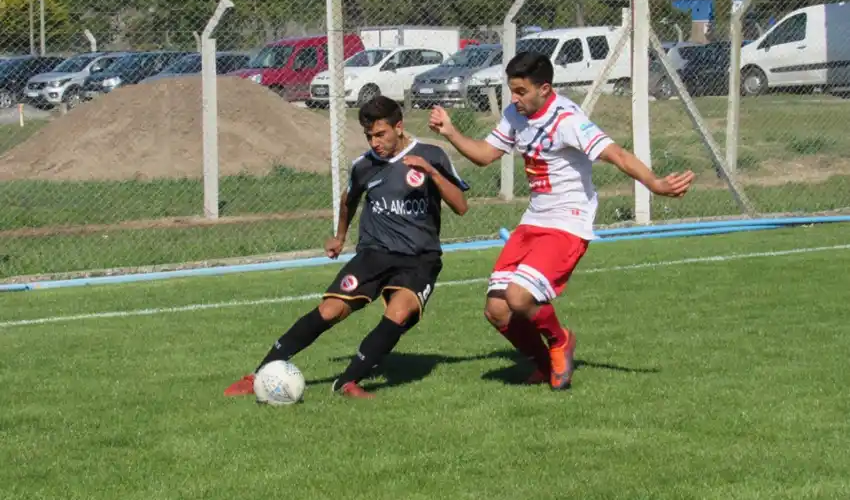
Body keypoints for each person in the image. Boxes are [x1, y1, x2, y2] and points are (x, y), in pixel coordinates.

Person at [428, 52, 694, 391]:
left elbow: (618, 154)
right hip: (534, 221)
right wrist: (450, 132)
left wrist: (655, 184)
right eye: (512, 90)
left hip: (567, 223)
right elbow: (484, 155)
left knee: (519, 297)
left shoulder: (567, 119)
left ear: (545, 89)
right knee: (496, 309)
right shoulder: (515, 115)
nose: (514, 99)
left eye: (521, 91)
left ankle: (560, 341)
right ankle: (544, 364)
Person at [224, 96, 470, 399]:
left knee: (399, 311)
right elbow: (348, 200)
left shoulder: (432, 155)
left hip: (420, 258)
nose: (375, 143)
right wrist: (339, 237)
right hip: (374, 254)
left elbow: (461, 206)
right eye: (369, 136)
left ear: (399, 127)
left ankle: (348, 382)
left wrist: (431, 173)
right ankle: (258, 375)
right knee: (330, 310)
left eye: (380, 134)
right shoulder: (364, 166)